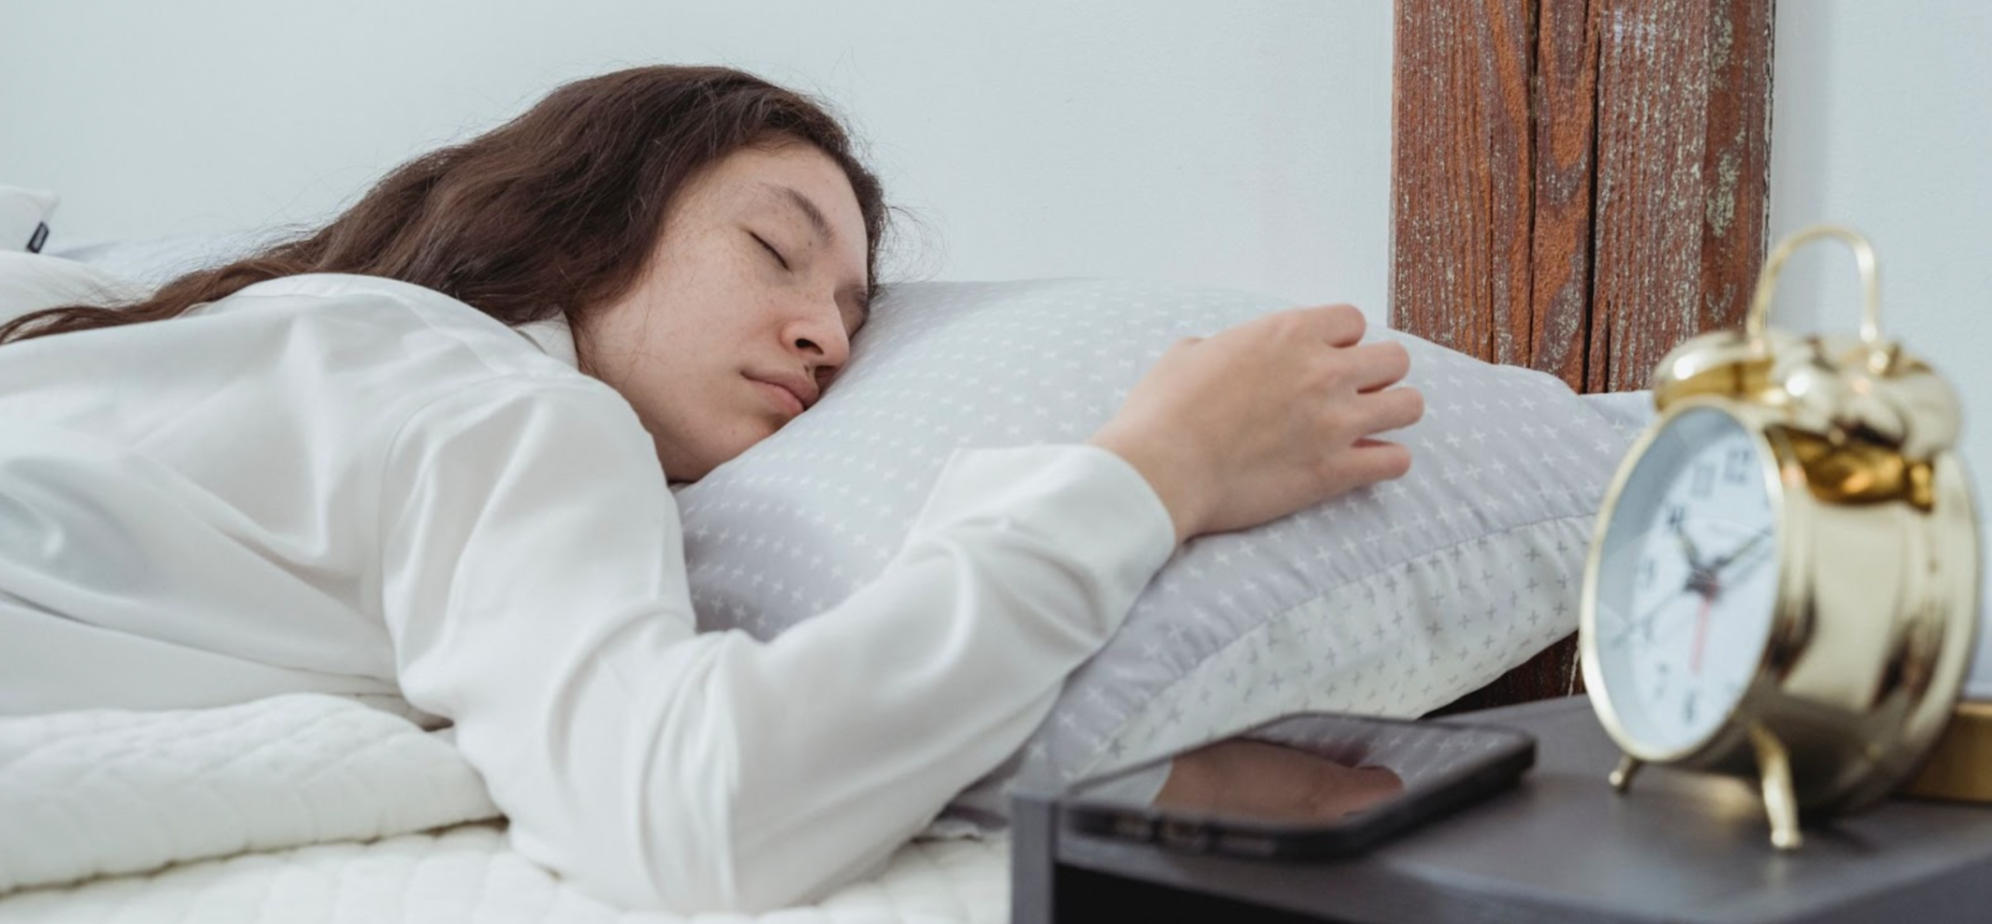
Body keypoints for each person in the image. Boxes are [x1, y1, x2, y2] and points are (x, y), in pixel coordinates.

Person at [0, 66, 1423, 911]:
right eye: (775, 249)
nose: (825, 332)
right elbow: (693, 805)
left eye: (857, 318)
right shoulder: (499, 408)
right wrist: (1151, 471)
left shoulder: (190, 325)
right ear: (586, 211)